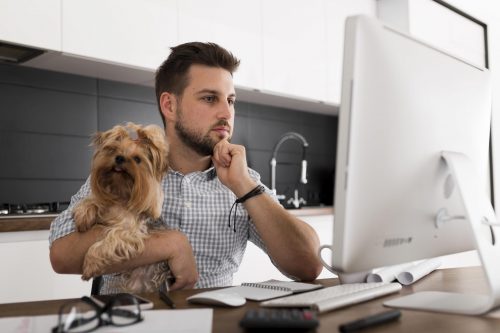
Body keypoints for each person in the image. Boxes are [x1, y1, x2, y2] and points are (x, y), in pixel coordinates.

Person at [49, 42, 323, 293]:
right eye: (209, 98)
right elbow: (62, 255)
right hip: (129, 321)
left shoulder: (244, 182)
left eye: (230, 100)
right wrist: (168, 244)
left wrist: (245, 186)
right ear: (169, 105)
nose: (226, 113)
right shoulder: (125, 170)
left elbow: (310, 265)